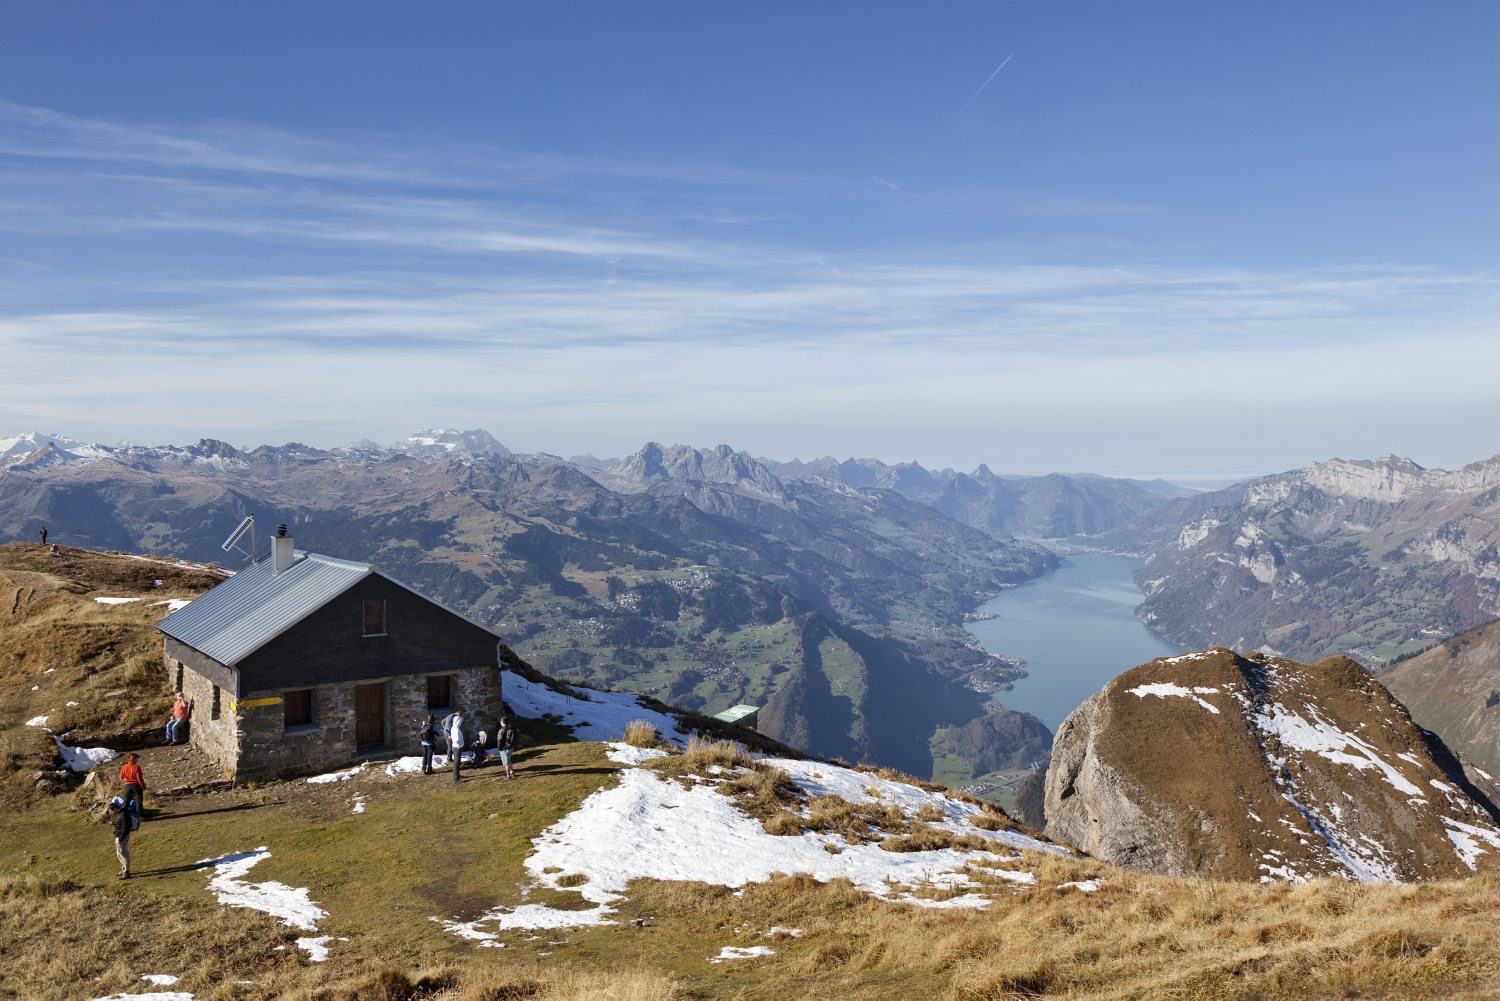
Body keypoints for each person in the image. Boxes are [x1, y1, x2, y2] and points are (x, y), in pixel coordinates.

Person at [107, 797, 133, 879]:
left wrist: (121, 838)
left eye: (111, 811)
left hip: (122, 837)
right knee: (120, 853)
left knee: (123, 854)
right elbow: (122, 825)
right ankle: (124, 869)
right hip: (120, 836)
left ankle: (126, 872)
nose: (111, 812)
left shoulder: (123, 815)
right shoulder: (122, 813)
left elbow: (125, 828)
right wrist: (115, 823)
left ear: (114, 809)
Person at [495, 715, 517, 780]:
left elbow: (499, 741)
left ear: (502, 722)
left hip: (504, 749)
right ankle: (512, 772)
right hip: (511, 747)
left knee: (506, 763)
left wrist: (499, 748)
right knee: (509, 759)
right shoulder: (511, 728)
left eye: (501, 721)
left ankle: (508, 776)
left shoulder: (501, 731)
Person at [449, 708, 465, 784]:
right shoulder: (455, 729)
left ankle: (457, 775)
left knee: (458, 761)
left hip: (457, 746)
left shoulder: (455, 728)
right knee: (456, 762)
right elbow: (457, 739)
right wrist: (460, 744)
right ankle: (455, 778)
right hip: (457, 747)